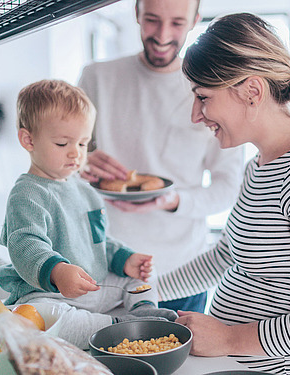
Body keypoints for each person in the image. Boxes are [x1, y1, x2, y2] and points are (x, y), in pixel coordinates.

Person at [158, 13, 290, 375]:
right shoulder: (259, 165)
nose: (196, 115)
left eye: (203, 97)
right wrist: (147, 294)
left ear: (252, 92)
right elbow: (225, 255)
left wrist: (228, 339)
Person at [78, 0, 244, 314]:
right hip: (104, 270)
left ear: (195, 20)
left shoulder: (213, 91)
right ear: (136, 14)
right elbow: (60, 160)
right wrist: (79, 162)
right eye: (152, 20)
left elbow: (227, 188)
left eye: (177, 23)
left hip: (181, 274)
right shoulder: (96, 77)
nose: (163, 34)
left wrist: (174, 201)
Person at [0, 79, 177, 349]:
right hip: (49, 293)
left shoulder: (86, 190)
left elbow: (100, 240)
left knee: (140, 276)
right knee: (47, 318)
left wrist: (125, 259)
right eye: (62, 143)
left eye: (83, 144)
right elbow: (25, 245)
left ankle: (141, 312)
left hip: (94, 286)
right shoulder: (27, 194)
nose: (75, 153)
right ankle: (120, 329)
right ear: (28, 139)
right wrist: (57, 271)